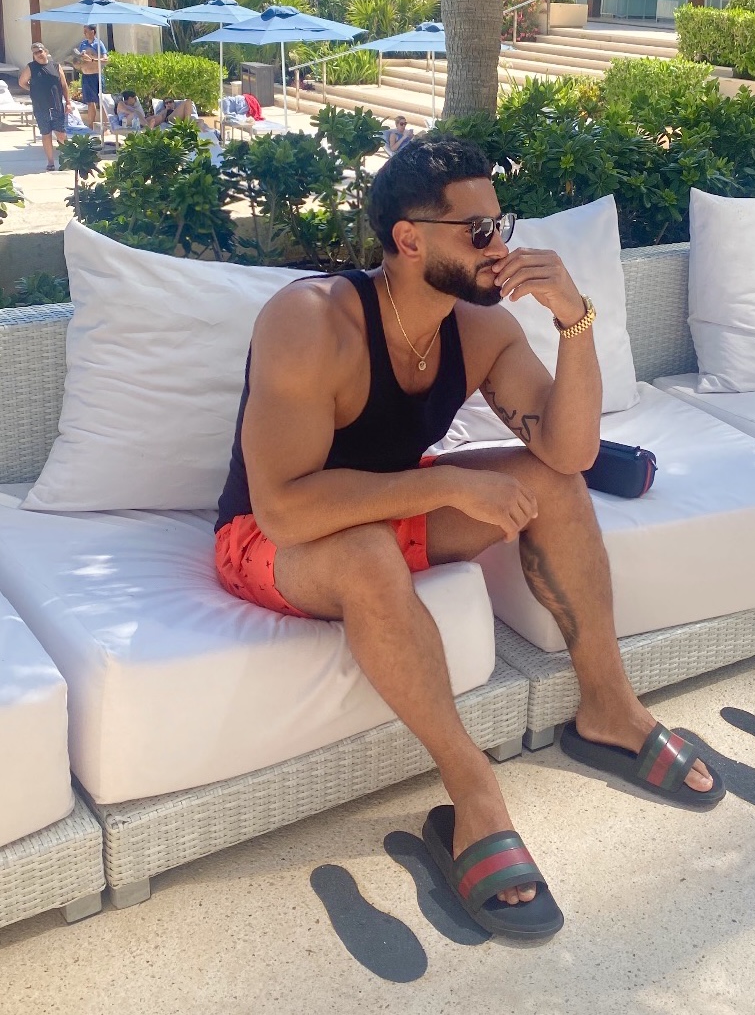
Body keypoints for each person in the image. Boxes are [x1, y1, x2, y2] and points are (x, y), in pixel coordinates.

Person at [213, 137, 724, 940]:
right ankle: (473, 789)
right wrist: (448, 483)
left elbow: (570, 454)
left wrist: (575, 321)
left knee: (549, 484)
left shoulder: (480, 328)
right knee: (365, 551)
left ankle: (609, 708)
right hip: (274, 539)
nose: (499, 247)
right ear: (409, 239)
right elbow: (283, 507)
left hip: (388, 506)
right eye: (478, 231)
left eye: (500, 226)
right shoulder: (310, 321)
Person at [18, 41, 70, 171]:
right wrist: (33, 90)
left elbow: (64, 85)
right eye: (35, 53)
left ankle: (69, 158)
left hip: (56, 104)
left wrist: (68, 102)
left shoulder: (56, 66)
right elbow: (22, 82)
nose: (38, 54)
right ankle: (51, 162)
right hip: (40, 106)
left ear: (45, 51)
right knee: (46, 134)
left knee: (61, 134)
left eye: (40, 51)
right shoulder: (31, 67)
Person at [74, 25, 109, 128]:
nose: (84, 33)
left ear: (93, 32)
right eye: (84, 31)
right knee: (90, 102)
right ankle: (91, 126)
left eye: (86, 31)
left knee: (101, 102)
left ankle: (106, 126)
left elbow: (106, 60)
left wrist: (92, 59)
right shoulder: (83, 44)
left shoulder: (99, 44)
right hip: (86, 76)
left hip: (96, 75)